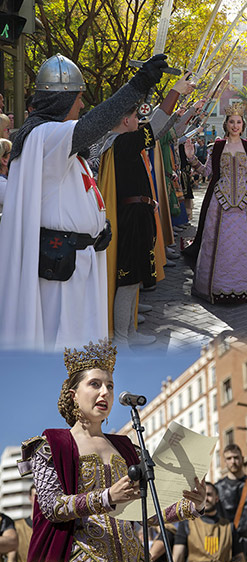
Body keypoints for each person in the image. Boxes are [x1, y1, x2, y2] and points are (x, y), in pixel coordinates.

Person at [0, 53, 168, 349]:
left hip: (77, 264)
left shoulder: (54, 143)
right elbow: (94, 124)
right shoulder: (47, 137)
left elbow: (100, 132)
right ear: (62, 101)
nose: (81, 105)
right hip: (62, 272)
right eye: (78, 98)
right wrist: (137, 84)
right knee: (62, 343)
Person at [19, 339, 206, 562]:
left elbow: (145, 514)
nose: (105, 392)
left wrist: (193, 505)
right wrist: (107, 496)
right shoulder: (50, 445)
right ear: (74, 395)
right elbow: (51, 506)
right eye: (95, 384)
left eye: (110, 386)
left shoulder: (128, 448)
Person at [97, 74, 195, 343]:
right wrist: (175, 92)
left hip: (135, 216)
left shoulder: (119, 145)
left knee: (134, 277)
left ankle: (129, 331)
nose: (139, 124)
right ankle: (121, 338)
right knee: (127, 279)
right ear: (127, 121)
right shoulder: (123, 143)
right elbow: (158, 124)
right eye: (135, 120)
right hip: (129, 220)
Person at [183, 104, 247, 304]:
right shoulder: (217, 147)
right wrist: (191, 157)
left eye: (238, 122)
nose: (235, 125)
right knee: (218, 243)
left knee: (244, 245)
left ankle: (246, 285)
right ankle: (216, 286)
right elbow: (206, 172)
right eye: (232, 122)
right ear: (226, 124)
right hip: (219, 203)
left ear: (243, 124)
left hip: (246, 205)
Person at [215, 444, 247, 557]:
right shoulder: (217, 488)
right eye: (229, 458)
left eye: (236, 457)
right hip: (227, 542)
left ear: (242, 459)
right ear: (224, 461)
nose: (233, 461)